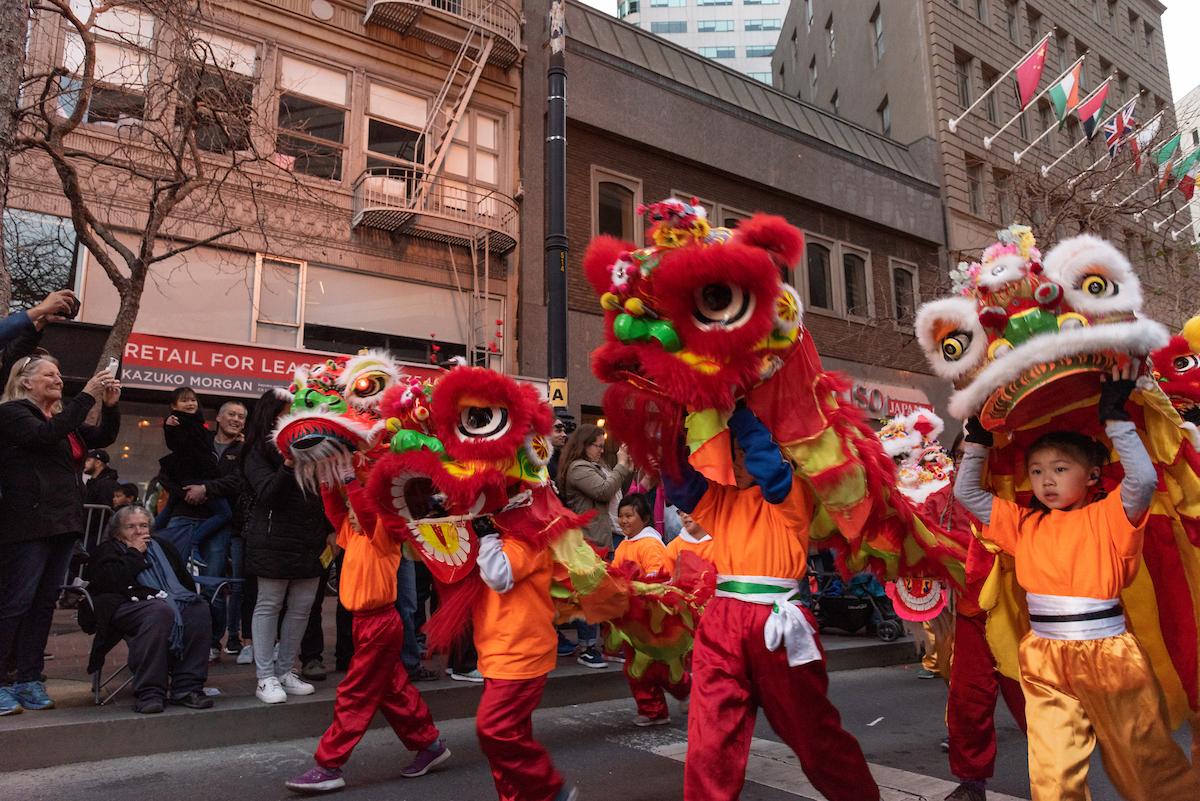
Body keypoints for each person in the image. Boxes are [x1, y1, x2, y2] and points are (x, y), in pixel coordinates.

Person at [953, 365, 1200, 801]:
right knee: (1052, 772)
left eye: (1060, 469)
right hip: (1044, 655)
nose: (1046, 480)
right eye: (1036, 471)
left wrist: (1115, 417)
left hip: (1110, 656)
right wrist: (976, 441)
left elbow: (1142, 480)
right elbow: (968, 495)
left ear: (1091, 477)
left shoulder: (1112, 518)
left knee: (1145, 766)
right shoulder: (1023, 523)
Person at [663, 403, 880, 801]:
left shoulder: (792, 492)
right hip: (721, 625)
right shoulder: (722, 499)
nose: (741, 461)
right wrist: (671, 424)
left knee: (813, 734)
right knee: (709, 739)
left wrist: (739, 406)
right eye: (736, 453)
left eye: (746, 451)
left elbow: (771, 470)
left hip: (779, 626)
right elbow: (680, 487)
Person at [285, 473, 448, 793]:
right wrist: (327, 478)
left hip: (380, 624)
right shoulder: (356, 530)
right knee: (393, 690)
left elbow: (366, 510)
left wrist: (348, 478)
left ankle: (329, 764)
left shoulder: (384, 528)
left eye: (357, 502)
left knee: (355, 694)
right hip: (367, 624)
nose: (351, 507)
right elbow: (336, 512)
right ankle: (430, 745)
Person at [0, 355, 120, 715]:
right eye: (49, 374)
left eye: (59, 373)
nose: (58, 379)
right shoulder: (13, 414)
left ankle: (29, 679)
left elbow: (102, 436)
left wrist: (110, 407)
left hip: (62, 524)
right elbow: (42, 437)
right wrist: (88, 395)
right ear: (24, 381)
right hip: (27, 524)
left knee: (42, 606)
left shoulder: (61, 421)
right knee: (14, 604)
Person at [934, 434, 1027, 801]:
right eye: (957, 456)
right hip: (971, 609)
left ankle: (1061, 781)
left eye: (967, 455)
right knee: (968, 701)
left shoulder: (1018, 490)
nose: (962, 463)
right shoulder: (944, 497)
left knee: (1035, 706)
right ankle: (971, 783)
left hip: (1021, 613)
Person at [473, 520, 578, 801]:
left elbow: (499, 575)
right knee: (506, 745)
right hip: (497, 651)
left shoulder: (527, 537)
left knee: (494, 730)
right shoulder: (501, 535)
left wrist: (485, 535)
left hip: (521, 653)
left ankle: (550, 789)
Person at [240, 390, 332, 704]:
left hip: (310, 540)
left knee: (302, 607)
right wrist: (288, 465)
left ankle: (285, 671)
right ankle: (265, 677)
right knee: (269, 605)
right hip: (272, 540)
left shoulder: (316, 450)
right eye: (286, 412)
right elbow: (266, 493)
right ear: (270, 415)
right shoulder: (257, 452)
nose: (293, 416)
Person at [82, 505, 214, 714]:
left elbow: (184, 582)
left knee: (197, 608)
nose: (139, 531)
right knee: (159, 612)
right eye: (131, 527)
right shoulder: (107, 550)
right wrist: (134, 553)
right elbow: (109, 583)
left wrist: (185, 602)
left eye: (143, 525)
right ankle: (150, 692)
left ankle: (187, 688)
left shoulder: (163, 547)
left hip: (164, 603)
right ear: (118, 532)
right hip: (122, 605)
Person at [156, 399, 246, 662]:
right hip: (183, 516)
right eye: (231, 414)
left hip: (218, 525)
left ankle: (211, 642)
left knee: (213, 586)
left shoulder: (245, 449)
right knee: (175, 582)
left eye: (241, 416)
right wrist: (183, 493)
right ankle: (177, 638)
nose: (236, 419)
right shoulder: (197, 437)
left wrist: (206, 489)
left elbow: (238, 481)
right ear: (218, 417)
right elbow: (171, 466)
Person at [556, 424, 632, 668]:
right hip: (586, 539)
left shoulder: (595, 466)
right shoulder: (578, 468)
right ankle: (588, 646)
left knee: (599, 594)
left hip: (599, 537)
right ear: (583, 445)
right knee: (588, 594)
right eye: (597, 446)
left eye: (602, 446)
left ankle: (598, 644)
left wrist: (624, 466)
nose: (601, 450)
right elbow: (603, 490)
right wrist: (620, 465)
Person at [612, 493, 689, 727]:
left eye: (629, 515)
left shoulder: (650, 544)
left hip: (648, 616)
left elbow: (658, 578)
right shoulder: (625, 544)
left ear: (644, 518)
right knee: (634, 666)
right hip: (629, 617)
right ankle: (652, 709)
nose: (624, 521)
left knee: (657, 665)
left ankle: (686, 689)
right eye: (621, 516)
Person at [158, 388, 232, 566]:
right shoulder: (178, 421)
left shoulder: (197, 423)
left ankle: (153, 533)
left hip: (195, 477)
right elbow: (174, 443)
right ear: (174, 406)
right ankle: (194, 542)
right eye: (184, 401)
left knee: (170, 507)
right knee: (225, 513)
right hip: (196, 477)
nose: (190, 403)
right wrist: (168, 425)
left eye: (193, 400)